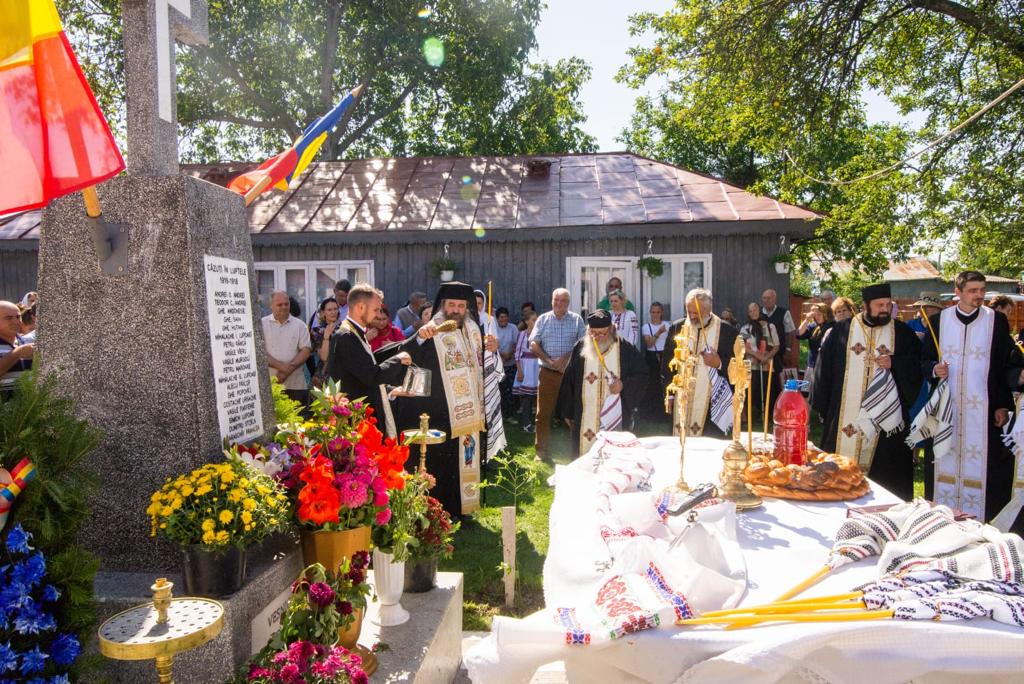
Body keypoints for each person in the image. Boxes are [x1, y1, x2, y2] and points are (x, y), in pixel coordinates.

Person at [397, 282, 498, 516]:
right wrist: (420, 337)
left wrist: (492, 348)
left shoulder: (474, 329)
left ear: (467, 308)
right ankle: (436, 513)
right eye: (451, 305)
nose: (455, 310)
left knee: (463, 462)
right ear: (442, 305)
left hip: (468, 414)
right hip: (437, 411)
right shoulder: (432, 329)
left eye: (461, 306)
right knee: (440, 464)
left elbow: (484, 367)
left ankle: (463, 509)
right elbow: (407, 352)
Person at [813, 283, 923, 500]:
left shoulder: (902, 333)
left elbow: (917, 367)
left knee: (887, 482)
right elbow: (822, 370)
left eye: (887, 304)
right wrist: (826, 411)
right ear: (865, 305)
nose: (884, 309)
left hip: (886, 424)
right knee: (835, 480)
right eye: (879, 305)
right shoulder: (841, 331)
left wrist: (895, 363)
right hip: (845, 416)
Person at [921, 271, 1014, 522]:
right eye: (973, 291)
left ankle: (981, 521)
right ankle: (939, 518)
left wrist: (1003, 404)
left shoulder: (996, 321)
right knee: (943, 460)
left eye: (982, 290)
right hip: (946, 408)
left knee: (985, 467)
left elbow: (1004, 366)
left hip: (983, 409)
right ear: (958, 291)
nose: (979, 296)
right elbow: (922, 359)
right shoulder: (939, 321)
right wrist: (933, 368)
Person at [326, 284, 415, 437]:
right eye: (375, 310)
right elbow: (372, 376)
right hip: (355, 424)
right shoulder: (347, 337)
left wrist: (391, 390)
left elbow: (359, 377)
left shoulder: (354, 333)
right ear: (361, 307)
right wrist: (398, 359)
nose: (377, 314)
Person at [556, 310, 647, 457]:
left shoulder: (625, 348)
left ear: (611, 329)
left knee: (614, 457)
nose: (597, 338)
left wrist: (623, 385)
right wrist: (567, 412)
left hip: (616, 415)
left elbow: (642, 374)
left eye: (602, 334)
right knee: (584, 457)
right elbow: (569, 381)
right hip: (584, 416)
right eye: (593, 333)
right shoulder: (581, 348)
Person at [662, 289, 739, 438]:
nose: (691, 316)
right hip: (681, 398)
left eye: (696, 313)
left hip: (711, 403)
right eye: (688, 311)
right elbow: (667, 364)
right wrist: (670, 395)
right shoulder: (677, 327)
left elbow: (739, 368)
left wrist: (719, 363)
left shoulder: (726, 331)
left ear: (708, 309)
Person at [529, 288, 586, 461]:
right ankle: (541, 451)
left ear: (568, 303)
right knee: (543, 414)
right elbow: (533, 343)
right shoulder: (543, 319)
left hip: (570, 375)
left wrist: (566, 358)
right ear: (552, 301)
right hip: (547, 372)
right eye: (556, 300)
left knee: (574, 413)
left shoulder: (577, 320)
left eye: (563, 301)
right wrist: (548, 360)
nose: (559, 304)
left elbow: (584, 344)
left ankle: (577, 450)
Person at [263, 291, 312, 407]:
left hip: (296, 385)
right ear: (271, 305)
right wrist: (283, 367)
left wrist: (286, 371)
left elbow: (306, 351)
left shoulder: (300, 325)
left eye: (286, 304)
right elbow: (259, 352)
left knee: (298, 422)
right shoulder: (261, 324)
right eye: (280, 305)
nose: (284, 307)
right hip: (271, 385)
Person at [739, 303, 779, 424]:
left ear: (759, 310)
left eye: (755, 310)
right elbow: (742, 346)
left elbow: (776, 346)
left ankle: (766, 415)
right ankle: (746, 416)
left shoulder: (770, 326)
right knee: (749, 391)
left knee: (767, 390)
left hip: (766, 364)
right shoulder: (745, 328)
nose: (753, 313)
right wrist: (756, 355)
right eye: (750, 311)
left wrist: (766, 357)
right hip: (751, 364)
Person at [641, 302, 670, 425]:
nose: (655, 315)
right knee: (652, 385)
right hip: (652, 356)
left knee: (664, 385)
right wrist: (658, 332)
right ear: (650, 313)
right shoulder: (646, 327)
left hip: (664, 355)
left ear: (661, 312)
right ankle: (650, 415)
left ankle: (665, 414)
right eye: (653, 312)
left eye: (658, 312)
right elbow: (649, 344)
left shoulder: (668, 325)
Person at [513, 311, 540, 433]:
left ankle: (535, 422)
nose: (535, 322)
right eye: (533, 320)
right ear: (527, 321)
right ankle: (526, 424)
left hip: (536, 366)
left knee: (535, 396)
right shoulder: (522, 334)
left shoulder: (539, 334)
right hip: (526, 367)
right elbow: (517, 354)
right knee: (526, 397)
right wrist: (519, 371)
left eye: (536, 319)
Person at [0, 301, 34, 391]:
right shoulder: (24, 348)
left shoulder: (27, 342)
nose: (16, 321)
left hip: (28, 404)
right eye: (9, 318)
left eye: (18, 317)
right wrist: (17, 353)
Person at [762, 288, 797, 371]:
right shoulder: (758, 313)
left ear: (775, 299)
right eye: (764, 298)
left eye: (769, 298)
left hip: (779, 353)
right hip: (762, 354)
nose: (766, 300)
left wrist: (788, 350)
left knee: (777, 379)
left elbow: (790, 332)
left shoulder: (784, 313)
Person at [494, 307, 520, 416]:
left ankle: (512, 412)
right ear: (497, 318)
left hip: (511, 363)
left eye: (505, 317)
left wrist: (509, 354)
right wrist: (501, 355)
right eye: (501, 317)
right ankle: (502, 413)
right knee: (501, 390)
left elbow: (516, 343)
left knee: (512, 389)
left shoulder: (513, 328)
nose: (503, 319)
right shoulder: (493, 328)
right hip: (498, 364)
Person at [310, 297, 340, 387]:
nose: (333, 312)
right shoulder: (317, 331)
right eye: (329, 310)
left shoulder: (345, 329)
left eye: (335, 309)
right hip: (324, 376)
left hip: (342, 373)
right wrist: (326, 337)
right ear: (323, 312)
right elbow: (324, 357)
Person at [797, 303, 834, 373]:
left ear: (826, 314)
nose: (817, 317)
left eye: (819, 314)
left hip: (827, 365)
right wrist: (807, 320)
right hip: (812, 364)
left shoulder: (833, 326)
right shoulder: (813, 326)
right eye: (815, 315)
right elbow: (799, 334)